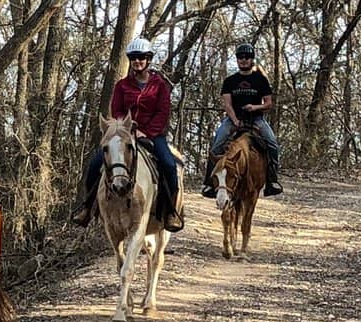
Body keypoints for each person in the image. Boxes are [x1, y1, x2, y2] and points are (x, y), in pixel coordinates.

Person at [71, 37, 183, 231]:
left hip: (153, 134)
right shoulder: (122, 86)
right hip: (124, 133)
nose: (137, 61)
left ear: (148, 59)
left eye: (141, 57)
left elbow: (162, 113)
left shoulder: (159, 86)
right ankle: (87, 208)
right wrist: (126, 129)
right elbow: (117, 111)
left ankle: (171, 212)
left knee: (168, 164)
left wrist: (145, 132)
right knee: (96, 164)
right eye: (133, 58)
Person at [202, 42, 283, 198]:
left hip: (256, 119)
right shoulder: (230, 81)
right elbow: (227, 104)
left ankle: (272, 181)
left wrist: (255, 107)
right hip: (233, 119)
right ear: (237, 59)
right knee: (217, 144)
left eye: (247, 57)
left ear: (252, 59)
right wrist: (235, 120)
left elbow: (268, 103)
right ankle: (209, 183)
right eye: (240, 57)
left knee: (272, 143)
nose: (244, 60)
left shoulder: (261, 80)